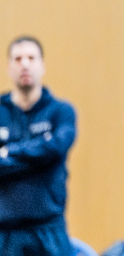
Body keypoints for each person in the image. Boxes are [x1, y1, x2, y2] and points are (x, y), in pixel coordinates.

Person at [0, 36, 77, 256]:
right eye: (18, 58)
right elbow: (48, 151)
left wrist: (9, 152)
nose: (24, 64)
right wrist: (40, 156)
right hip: (5, 235)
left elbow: (56, 148)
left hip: (49, 233)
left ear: (42, 65)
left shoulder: (61, 112)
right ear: (8, 67)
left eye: (31, 58)